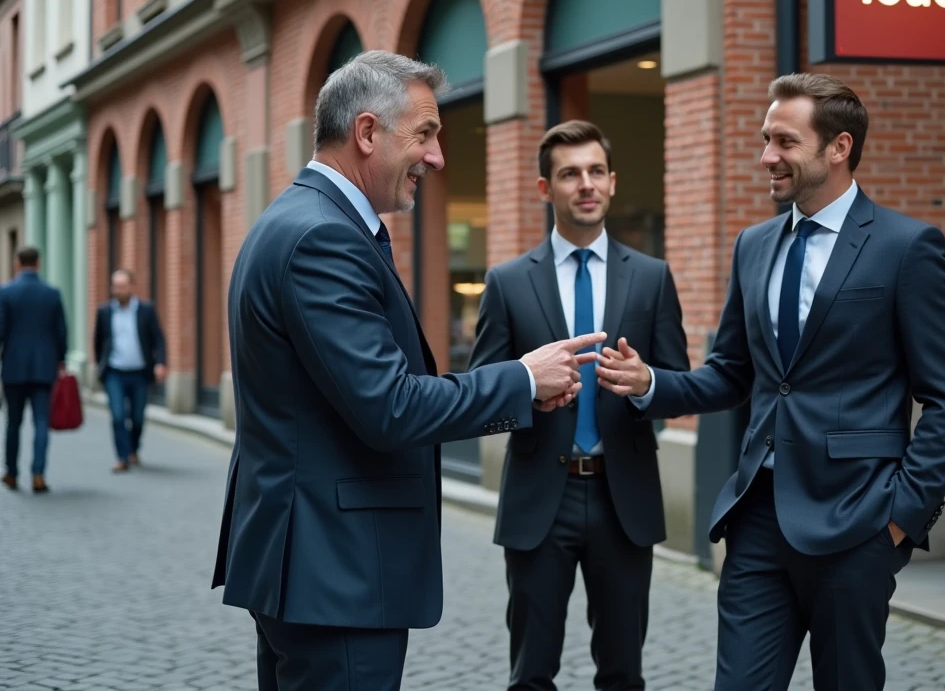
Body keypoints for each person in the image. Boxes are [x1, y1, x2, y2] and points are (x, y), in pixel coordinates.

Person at [211, 51, 604, 691]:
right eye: (424, 135)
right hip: (333, 571)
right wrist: (524, 380)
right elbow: (389, 406)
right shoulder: (323, 237)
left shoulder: (301, 218)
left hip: (306, 561)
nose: (437, 156)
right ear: (367, 133)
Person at [596, 73, 945, 690]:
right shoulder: (754, 245)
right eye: (765, 139)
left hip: (857, 520)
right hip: (758, 521)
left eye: (783, 141)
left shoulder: (908, 248)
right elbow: (732, 374)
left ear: (838, 148)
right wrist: (649, 384)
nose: (766, 156)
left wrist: (901, 518)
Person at [469, 120, 690, 691]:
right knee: (531, 673)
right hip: (542, 497)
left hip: (625, 498)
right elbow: (479, 392)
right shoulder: (509, 282)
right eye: (570, 174)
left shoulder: (652, 278)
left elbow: (681, 382)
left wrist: (644, 384)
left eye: (595, 172)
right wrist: (528, 398)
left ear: (612, 183)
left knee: (622, 672)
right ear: (546, 189)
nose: (585, 184)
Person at [0, 246, 68, 493]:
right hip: (44, 367)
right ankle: (38, 474)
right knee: (41, 421)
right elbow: (62, 332)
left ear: (17, 263)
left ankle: (11, 473)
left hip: (13, 367)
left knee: (13, 422)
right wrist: (61, 360)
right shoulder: (52, 294)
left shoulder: (5, 292)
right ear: (38, 264)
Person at [93, 268, 167, 471]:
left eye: (122, 286)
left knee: (137, 417)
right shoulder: (104, 311)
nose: (117, 290)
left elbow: (158, 339)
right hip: (114, 372)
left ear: (132, 287)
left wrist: (160, 363)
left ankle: (133, 449)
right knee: (117, 416)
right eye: (115, 286)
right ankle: (122, 457)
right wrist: (101, 365)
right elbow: (98, 342)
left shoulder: (146, 310)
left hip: (140, 373)